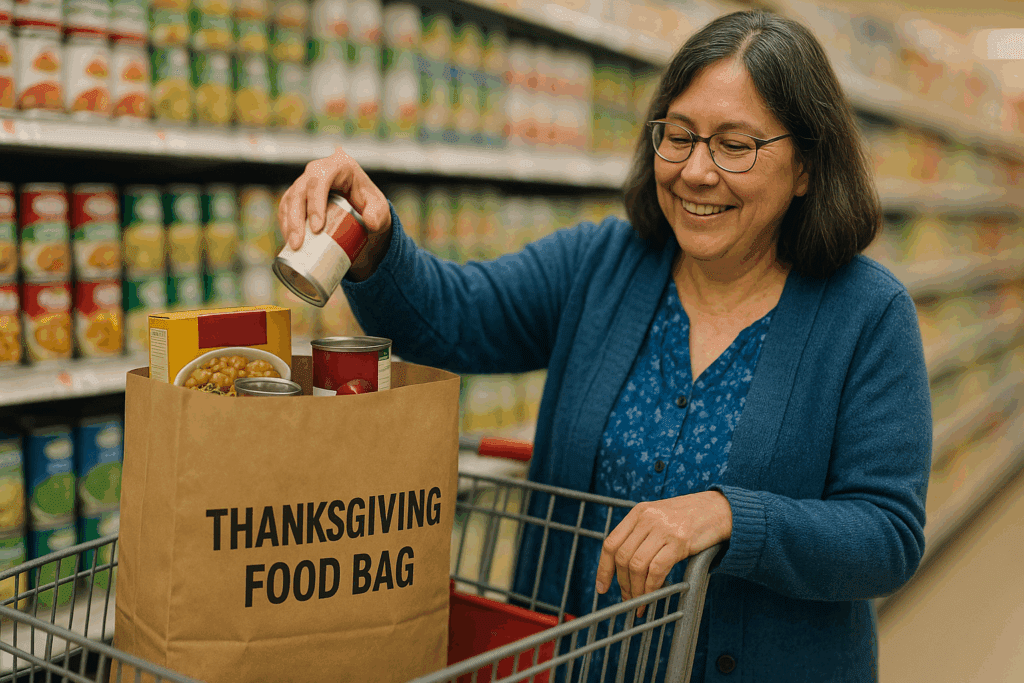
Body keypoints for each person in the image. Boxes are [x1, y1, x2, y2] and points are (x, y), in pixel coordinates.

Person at [277, 10, 932, 682]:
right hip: (576, 664)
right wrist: (375, 237)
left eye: (735, 146)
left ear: (806, 167)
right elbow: (453, 318)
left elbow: (887, 535)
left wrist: (730, 515)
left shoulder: (867, 314)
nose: (696, 171)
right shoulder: (599, 265)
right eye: (679, 136)